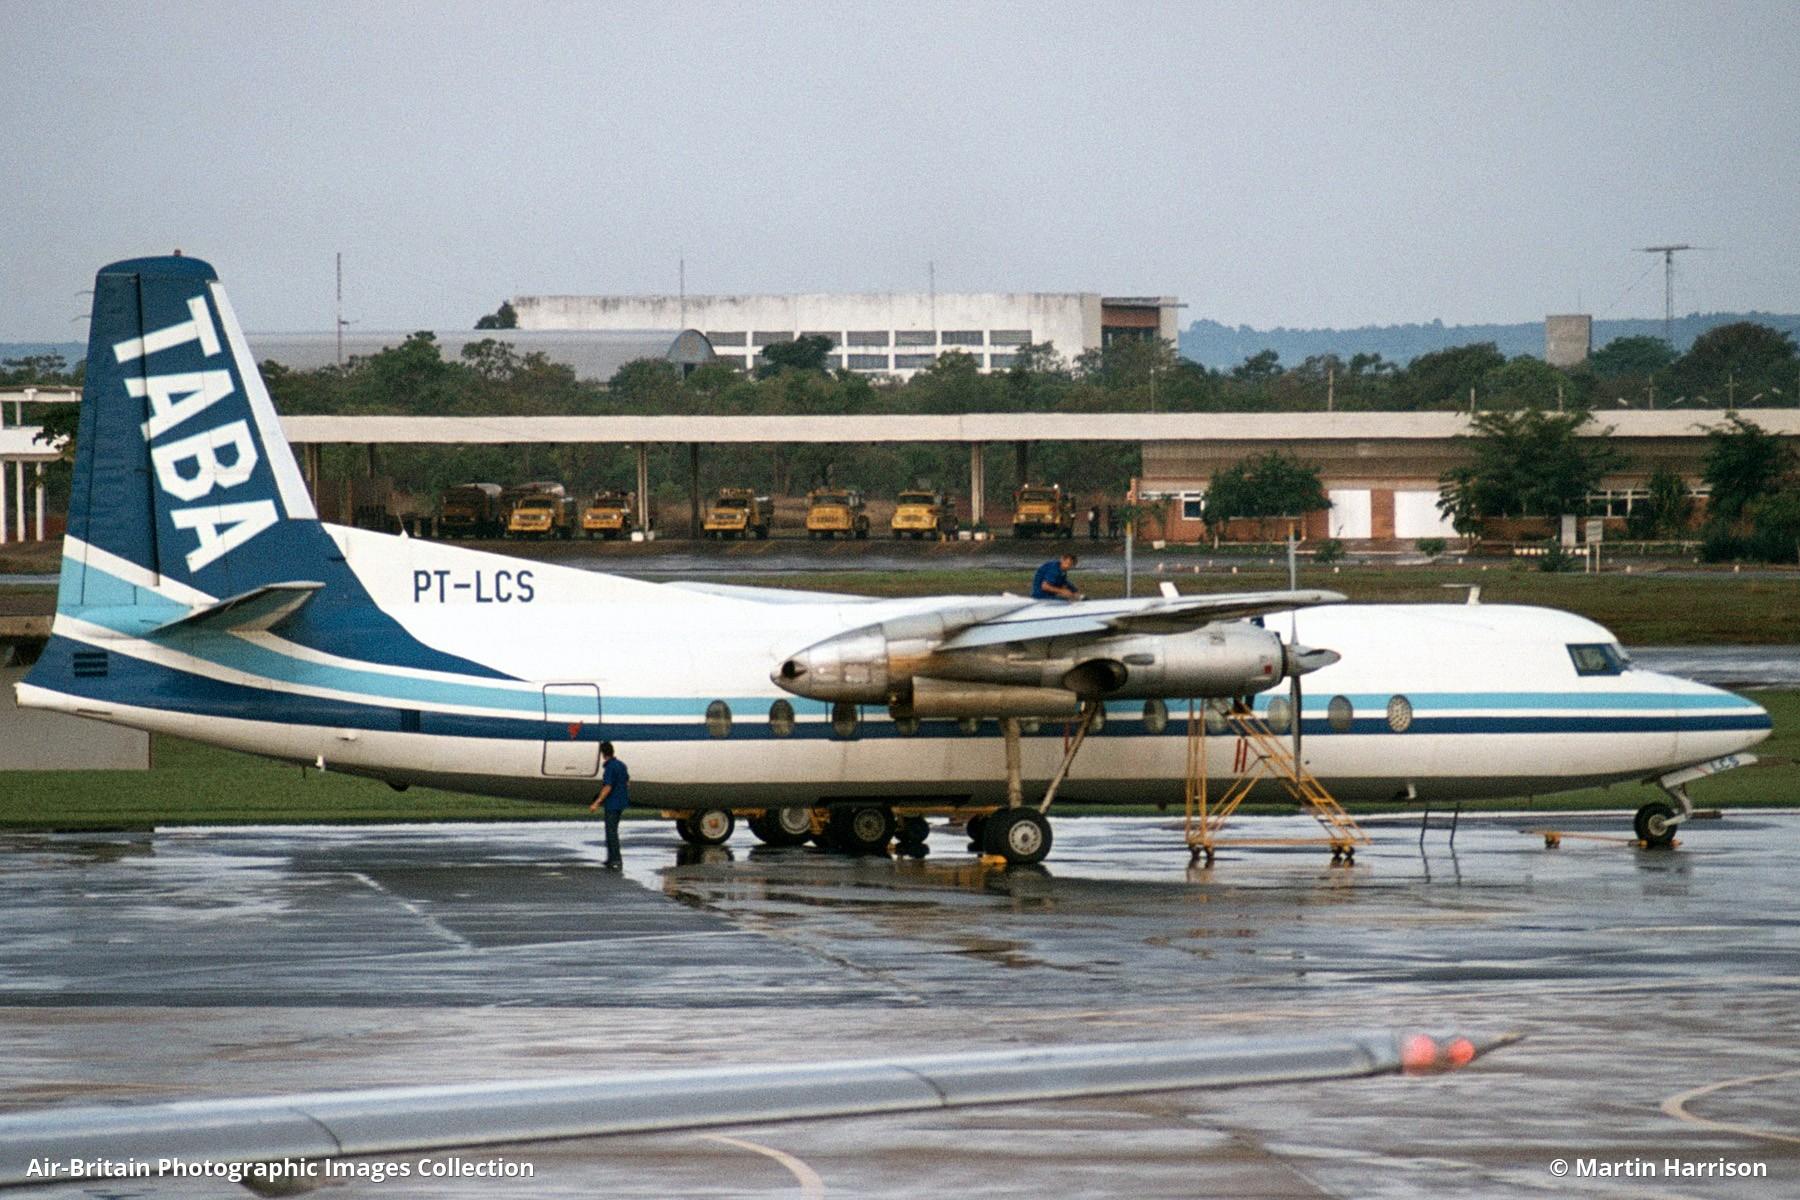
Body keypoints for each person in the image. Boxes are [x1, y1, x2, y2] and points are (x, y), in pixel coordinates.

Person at [587, 741, 630, 868]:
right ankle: (612, 858)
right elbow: (627, 781)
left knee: (611, 832)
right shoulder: (621, 765)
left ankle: (615, 859)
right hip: (621, 802)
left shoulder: (610, 767)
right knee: (613, 830)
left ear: (603, 754)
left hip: (612, 803)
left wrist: (596, 803)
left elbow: (608, 787)